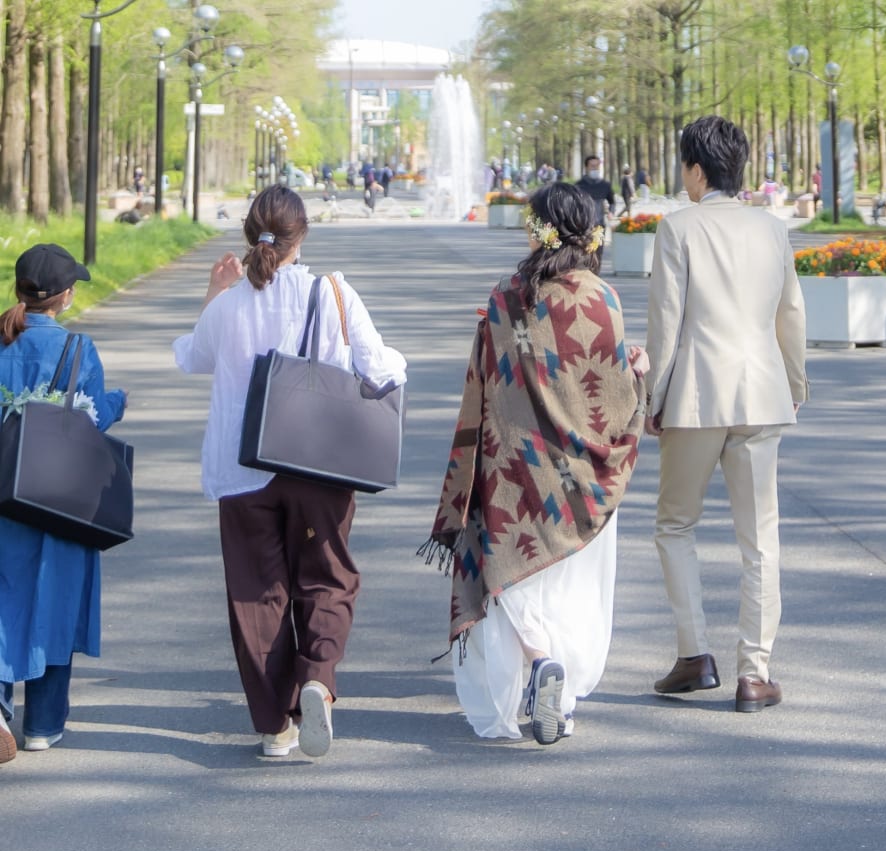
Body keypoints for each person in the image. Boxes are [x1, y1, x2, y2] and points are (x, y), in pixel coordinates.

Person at [172, 185, 406, 758]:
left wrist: (212, 291)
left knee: (257, 593)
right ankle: (318, 681)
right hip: (319, 463)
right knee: (327, 575)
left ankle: (277, 726)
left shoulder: (228, 305)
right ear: (303, 235)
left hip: (242, 465)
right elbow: (382, 367)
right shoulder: (332, 293)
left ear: (251, 235)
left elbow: (191, 357)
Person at [422, 182, 646, 745]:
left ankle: (538, 659)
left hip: (517, 468)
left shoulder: (508, 297)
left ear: (540, 230)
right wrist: (634, 371)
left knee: (509, 577)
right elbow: (613, 396)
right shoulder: (603, 299)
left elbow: (488, 386)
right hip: (581, 481)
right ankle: (559, 698)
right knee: (569, 584)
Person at [644, 115, 808, 714]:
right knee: (760, 538)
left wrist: (652, 401)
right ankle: (755, 673)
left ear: (695, 168)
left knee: (676, 526)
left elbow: (666, 323)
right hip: (762, 394)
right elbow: (790, 313)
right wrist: (794, 384)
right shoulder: (771, 229)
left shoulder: (678, 227)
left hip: (695, 396)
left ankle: (693, 655)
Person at [0, 244, 128, 758]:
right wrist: (118, 400)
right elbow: (90, 420)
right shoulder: (77, 349)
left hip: (3, 499)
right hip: (57, 500)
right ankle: (43, 725)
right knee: (54, 596)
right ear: (66, 297)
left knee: (4, 597)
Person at [576, 155, 614, 269]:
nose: (595, 168)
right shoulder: (579, 185)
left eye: (597, 166)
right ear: (586, 167)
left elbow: (612, 201)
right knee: (584, 252)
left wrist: (611, 212)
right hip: (583, 224)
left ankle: (596, 275)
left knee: (598, 252)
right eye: (592, 166)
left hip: (599, 224)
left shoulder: (605, 185)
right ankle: (585, 274)